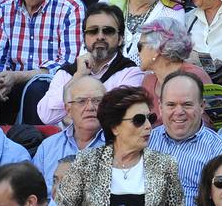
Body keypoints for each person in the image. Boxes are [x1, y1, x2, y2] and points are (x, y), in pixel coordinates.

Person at [54, 86, 183, 206]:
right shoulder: (85, 162)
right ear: (115, 127)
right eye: (139, 120)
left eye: (150, 118)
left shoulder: (165, 165)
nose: (149, 125)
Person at [35, 4, 142, 125]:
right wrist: (78, 77)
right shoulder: (68, 73)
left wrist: (71, 117)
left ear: (121, 39)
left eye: (108, 31)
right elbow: (46, 116)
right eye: (93, 31)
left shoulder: (131, 72)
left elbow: (117, 118)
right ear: (84, 38)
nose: (100, 36)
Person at [147, 72, 222, 204]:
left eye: (187, 104)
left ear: (202, 106)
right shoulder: (145, 141)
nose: (179, 112)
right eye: (171, 105)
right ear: (160, 107)